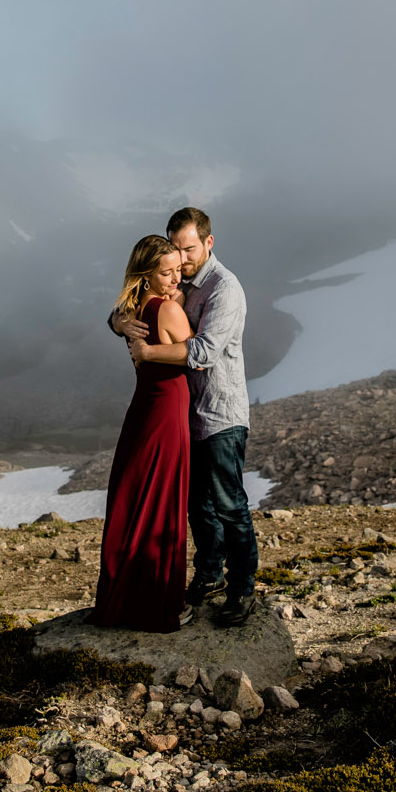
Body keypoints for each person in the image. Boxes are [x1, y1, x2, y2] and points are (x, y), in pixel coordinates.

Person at [115, 207, 257, 627]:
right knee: (197, 506)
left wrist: (147, 352)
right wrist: (121, 324)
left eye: (189, 248)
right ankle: (210, 576)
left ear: (209, 243)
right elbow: (131, 307)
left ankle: (242, 588)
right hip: (185, 417)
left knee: (230, 506)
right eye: (175, 250)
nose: (181, 258)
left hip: (220, 413)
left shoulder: (223, 288)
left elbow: (204, 352)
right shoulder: (176, 281)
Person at [89, 235, 193, 632]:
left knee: (136, 501)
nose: (173, 280)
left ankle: (127, 600)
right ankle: (158, 602)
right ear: (146, 274)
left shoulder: (132, 309)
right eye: (165, 273)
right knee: (161, 503)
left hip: (143, 410)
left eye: (177, 272)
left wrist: (118, 322)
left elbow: (124, 319)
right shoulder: (167, 310)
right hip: (167, 413)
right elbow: (196, 356)